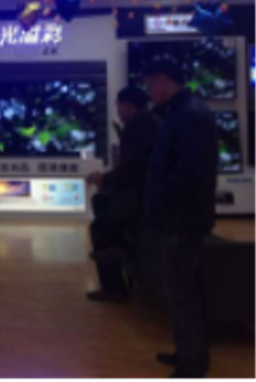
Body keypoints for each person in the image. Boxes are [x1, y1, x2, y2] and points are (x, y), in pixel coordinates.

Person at [143, 59, 218, 382]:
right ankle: (188, 352)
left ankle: (192, 365)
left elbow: (189, 172)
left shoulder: (188, 116)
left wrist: (160, 198)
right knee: (183, 291)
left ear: (162, 80)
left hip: (181, 219)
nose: (149, 92)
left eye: (149, 84)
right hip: (181, 216)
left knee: (183, 293)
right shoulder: (185, 112)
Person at [86, 86, 161, 304]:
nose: (117, 111)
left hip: (140, 201)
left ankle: (113, 285)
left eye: (118, 106)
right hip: (150, 195)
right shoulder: (153, 121)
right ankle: (119, 255)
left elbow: (131, 169)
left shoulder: (136, 125)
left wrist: (104, 179)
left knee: (101, 226)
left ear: (127, 105)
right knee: (102, 206)